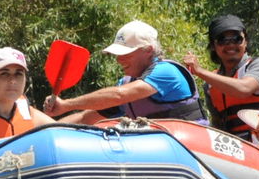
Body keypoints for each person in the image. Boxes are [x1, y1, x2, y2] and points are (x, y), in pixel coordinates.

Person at [44, 20, 206, 125]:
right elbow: (85, 118)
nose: (119, 60)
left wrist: (67, 104)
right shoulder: (127, 82)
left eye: (125, 54)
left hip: (191, 149)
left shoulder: (166, 71)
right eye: (118, 54)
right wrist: (49, 129)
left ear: (148, 50)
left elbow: (119, 95)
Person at [182, 14, 259, 139]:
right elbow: (217, 123)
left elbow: (244, 89)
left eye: (237, 39)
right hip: (235, 147)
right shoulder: (211, 84)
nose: (230, 44)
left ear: (246, 41)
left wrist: (199, 71)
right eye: (222, 40)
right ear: (213, 46)